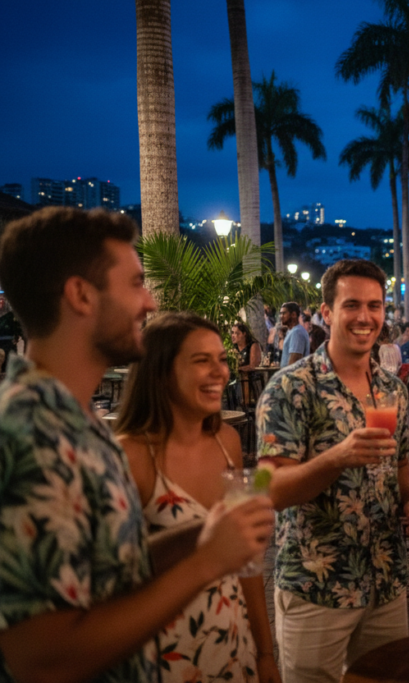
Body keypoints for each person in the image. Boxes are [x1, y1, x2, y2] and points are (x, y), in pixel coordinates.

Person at [0, 207, 274, 683]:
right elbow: (42, 660)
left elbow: (116, 568)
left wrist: (204, 533)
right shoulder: (30, 432)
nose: (149, 302)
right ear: (81, 295)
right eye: (134, 283)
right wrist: (206, 562)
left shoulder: (80, 425)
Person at [256, 259, 409, 683]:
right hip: (318, 584)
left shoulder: (393, 389)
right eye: (352, 305)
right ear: (328, 312)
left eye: (375, 306)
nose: (365, 317)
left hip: (386, 580)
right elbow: (271, 491)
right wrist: (338, 457)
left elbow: (402, 461)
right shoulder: (290, 387)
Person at [116, 313, 280, 683]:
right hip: (166, 654)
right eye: (201, 361)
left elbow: (248, 562)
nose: (220, 372)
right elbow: (116, 581)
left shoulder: (228, 442)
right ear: (160, 371)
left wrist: (266, 652)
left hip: (234, 644)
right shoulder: (129, 456)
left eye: (222, 359)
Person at [279, 301, 310, 365]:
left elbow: (295, 361)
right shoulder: (291, 331)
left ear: (294, 315)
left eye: (284, 313)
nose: (281, 316)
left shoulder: (297, 332)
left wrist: (287, 374)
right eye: (280, 314)